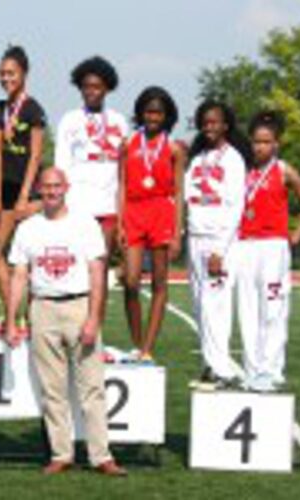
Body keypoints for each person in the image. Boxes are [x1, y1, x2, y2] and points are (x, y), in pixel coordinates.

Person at [6, 167, 127, 476]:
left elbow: (97, 273)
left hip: (78, 305)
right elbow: (19, 275)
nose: (51, 191)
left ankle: (101, 456)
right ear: (38, 188)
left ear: (66, 187)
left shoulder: (84, 223)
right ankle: (62, 454)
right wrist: (10, 319)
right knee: (52, 389)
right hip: (43, 308)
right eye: (46, 186)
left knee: (92, 388)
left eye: (57, 185)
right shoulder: (28, 228)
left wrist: (93, 319)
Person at [237, 111, 300, 392]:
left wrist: (298, 234)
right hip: (244, 246)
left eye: (266, 142)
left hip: (274, 248)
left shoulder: (284, 170)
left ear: (276, 144)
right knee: (248, 310)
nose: (260, 147)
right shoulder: (242, 169)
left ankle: (272, 369)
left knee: (274, 309)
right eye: (256, 141)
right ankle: (252, 369)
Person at [55, 56, 128, 324]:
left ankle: (95, 329)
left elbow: (124, 171)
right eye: (86, 86)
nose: (91, 91)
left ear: (107, 88)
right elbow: (61, 166)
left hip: (107, 207)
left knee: (100, 270)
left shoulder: (119, 122)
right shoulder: (69, 120)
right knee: (74, 270)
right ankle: (73, 327)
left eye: (97, 86)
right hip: (77, 207)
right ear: (80, 87)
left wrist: (122, 212)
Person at [185, 100, 250, 389]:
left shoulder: (233, 159)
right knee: (200, 307)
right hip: (196, 237)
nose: (210, 127)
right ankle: (210, 366)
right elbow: (186, 197)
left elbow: (236, 207)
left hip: (218, 242)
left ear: (226, 125)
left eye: (215, 122)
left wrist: (219, 250)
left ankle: (222, 368)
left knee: (216, 306)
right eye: (205, 122)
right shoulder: (198, 158)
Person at [118, 86, 185, 364]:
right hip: (133, 210)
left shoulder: (174, 148)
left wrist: (178, 231)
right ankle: (136, 342)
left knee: (159, 281)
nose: (152, 116)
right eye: (148, 111)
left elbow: (180, 192)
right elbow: (121, 185)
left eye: (158, 112)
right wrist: (120, 222)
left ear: (166, 115)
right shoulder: (128, 144)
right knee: (131, 281)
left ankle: (147, 346)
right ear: (140, 113)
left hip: (161, 211)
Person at [0, 45, 46, 331]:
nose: (5, 78)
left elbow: (36, 155)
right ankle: (12, 314)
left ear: (24, 74)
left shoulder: (33, 109)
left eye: (11, 73)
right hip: (6, 193)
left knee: (32, 259)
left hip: (29, 193)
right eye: (1, 73)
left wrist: (26, 196)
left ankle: (32, 316)